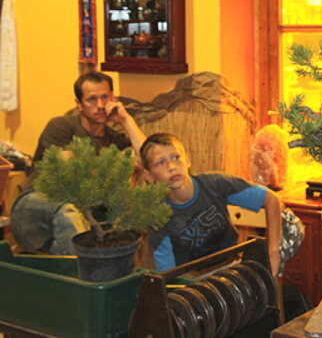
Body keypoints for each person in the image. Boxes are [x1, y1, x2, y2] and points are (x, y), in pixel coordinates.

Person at [11, 71, 145, 254]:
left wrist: (125, 119)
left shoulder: (114, 140)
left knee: (86, 221)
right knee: (70, 214)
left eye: (104, 97)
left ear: (112, 98)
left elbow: (147, 157)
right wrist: (115, 165)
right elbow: (69, 173)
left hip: (84, 212)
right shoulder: (61, 126)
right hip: (36, 205)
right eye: (91, 99)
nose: (99, 105)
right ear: (79, 104)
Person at [140, 133, 283, 276]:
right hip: (193, 279)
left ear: (188, 161)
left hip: (232, 266)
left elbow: (271, 199)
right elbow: (168, 274)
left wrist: (273, 252)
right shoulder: (158, 217)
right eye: (160, 162)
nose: (171, 166)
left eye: (176, 157)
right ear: (149, 177)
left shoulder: (214, 184)